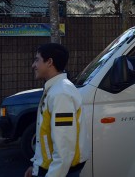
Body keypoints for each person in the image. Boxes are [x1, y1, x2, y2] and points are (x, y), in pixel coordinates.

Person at [24, 43, 90, 177]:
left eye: (37, 60)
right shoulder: (56, 89)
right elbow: (45, 137)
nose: (33, 65)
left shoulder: (61, 93)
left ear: (49, 62)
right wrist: (36, 166)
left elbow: (64, 148)